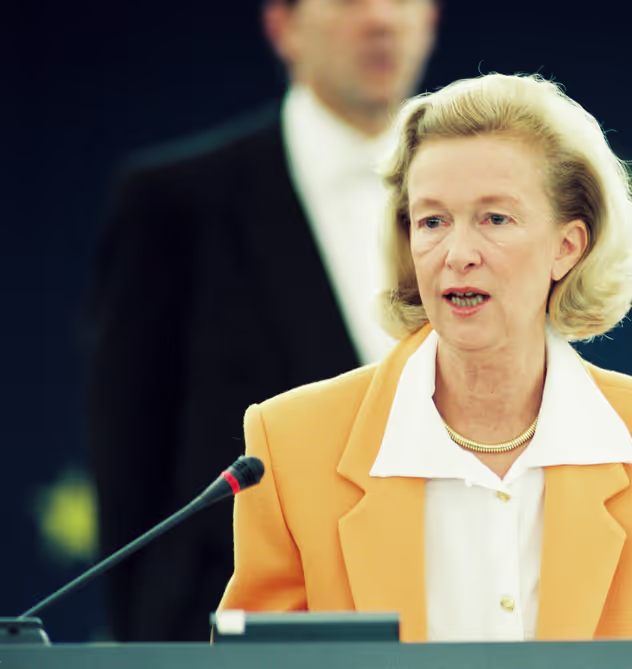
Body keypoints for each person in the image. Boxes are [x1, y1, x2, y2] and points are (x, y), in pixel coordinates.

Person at [218, 73, 632, 641]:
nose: (457, 254)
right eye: (432, 221)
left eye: (495, 219)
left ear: (568, 247)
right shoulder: (289, 444)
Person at [85, 0, 439, 642]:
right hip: (239, 628)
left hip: (444, 618)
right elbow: (129, 453)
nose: (382, 19)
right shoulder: (173, 202)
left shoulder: (494, 202)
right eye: (350, 2)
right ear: (284, 26)